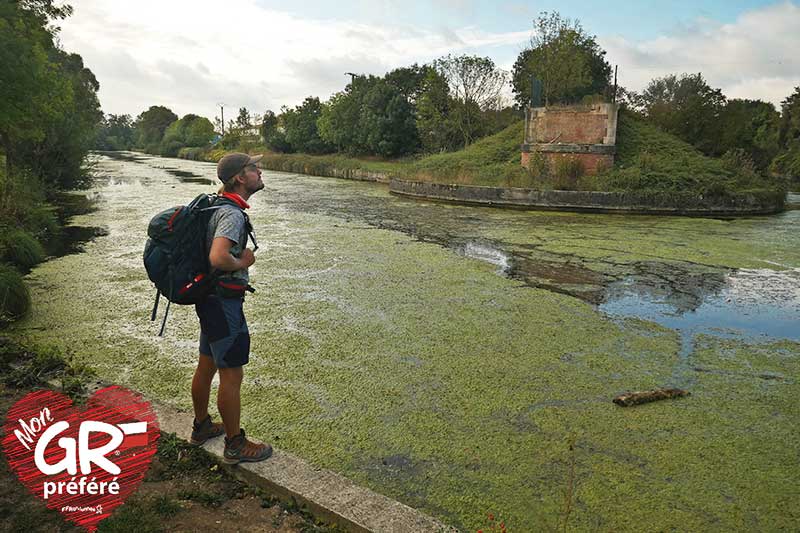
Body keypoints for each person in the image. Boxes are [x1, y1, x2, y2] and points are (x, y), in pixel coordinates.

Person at [188, 152, 273, 464]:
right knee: (231, 374)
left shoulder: (214, 205)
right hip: (223, 303)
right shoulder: (233, 215)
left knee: (207, 364)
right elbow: (218, 257)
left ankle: (201, 427)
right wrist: (243, 261)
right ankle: (235, 445)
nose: (260, 171)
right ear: (240, 177)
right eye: (254, 168)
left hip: (208, 299)